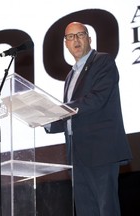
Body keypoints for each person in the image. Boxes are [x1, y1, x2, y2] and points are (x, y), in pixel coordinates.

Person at [44, 22, 132, 216]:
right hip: (76, 155)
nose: (75, 40)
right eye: (70, 37)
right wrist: (46, 120)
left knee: (106, 209)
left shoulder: (103, 62)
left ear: (89, 39)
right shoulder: (69, 76)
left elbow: (96, 99)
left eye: (80, 35)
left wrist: (57, 110)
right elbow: (72, 117)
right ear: (65, 44)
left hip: (100, 151)